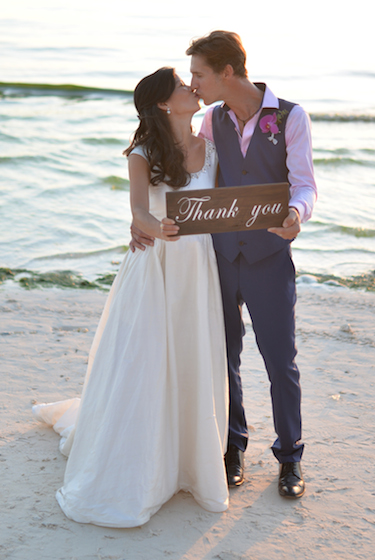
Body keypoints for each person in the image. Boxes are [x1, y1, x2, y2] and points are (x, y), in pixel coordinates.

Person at [32, 67, 229, 527]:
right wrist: (152, 227)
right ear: (164, 103)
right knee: (145, 361)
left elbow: (223, 207)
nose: (191, 88)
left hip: (198, 269)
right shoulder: (142, 152)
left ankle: (189, 460)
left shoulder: (213, 150)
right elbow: (139, 209)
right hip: (156, 266)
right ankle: (141, 466)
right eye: (183, 85)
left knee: (191, 356)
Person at [130, 32, 317, 499]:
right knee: (223, 356)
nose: (193, 83)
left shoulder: (290, 117)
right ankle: (232, 449)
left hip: (269, 258)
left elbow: (305, 183)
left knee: (280, 361)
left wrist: (297, 214)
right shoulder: (211, 119)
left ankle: (290, 457)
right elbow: (184, 168)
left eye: (198, 74)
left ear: (226, 73)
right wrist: (145, 220)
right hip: (216, 257)